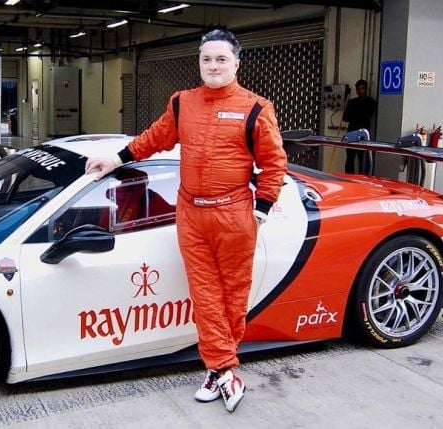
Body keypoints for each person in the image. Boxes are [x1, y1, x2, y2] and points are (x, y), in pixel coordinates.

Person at [84, 29, 287, 413]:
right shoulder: (182, 103)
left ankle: (218, 369)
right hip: (191, 213)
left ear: (236, 64)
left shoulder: (256, 108)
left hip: (234, 214)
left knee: (233, 297)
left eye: (221, 59)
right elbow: (154, 138)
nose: (213, 66)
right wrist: (115, 158)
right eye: (207, 59)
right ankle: (225, 370)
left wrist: (261, 208)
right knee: (205, 295)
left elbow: (274, 163)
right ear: (199, 62)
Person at [342, 79, 377, 174]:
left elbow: (366, 116)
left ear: (366, 89)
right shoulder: (352, 102)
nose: (360, 91)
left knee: (363, 159)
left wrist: (353, 114)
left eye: (362, 89)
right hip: (351, 133)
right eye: (358, 89)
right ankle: (348, 179)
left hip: (363, 135)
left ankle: (362, 180)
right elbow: (345, 118)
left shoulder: (370, 102)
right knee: (350, 158)